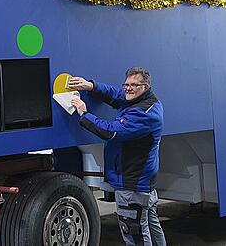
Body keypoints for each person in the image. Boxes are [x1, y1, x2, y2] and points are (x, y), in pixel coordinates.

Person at [68, 68, 166, 246]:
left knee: (134, 231)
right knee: (151, 226)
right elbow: (116, 94)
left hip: (132, 182)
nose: (128, 89)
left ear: (145, 86)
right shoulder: (145, 100)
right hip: (142, 181)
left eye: (133, 85)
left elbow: (110, 131)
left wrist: (83, 113)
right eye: (126, 84)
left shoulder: (142, 114)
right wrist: (91, 86)